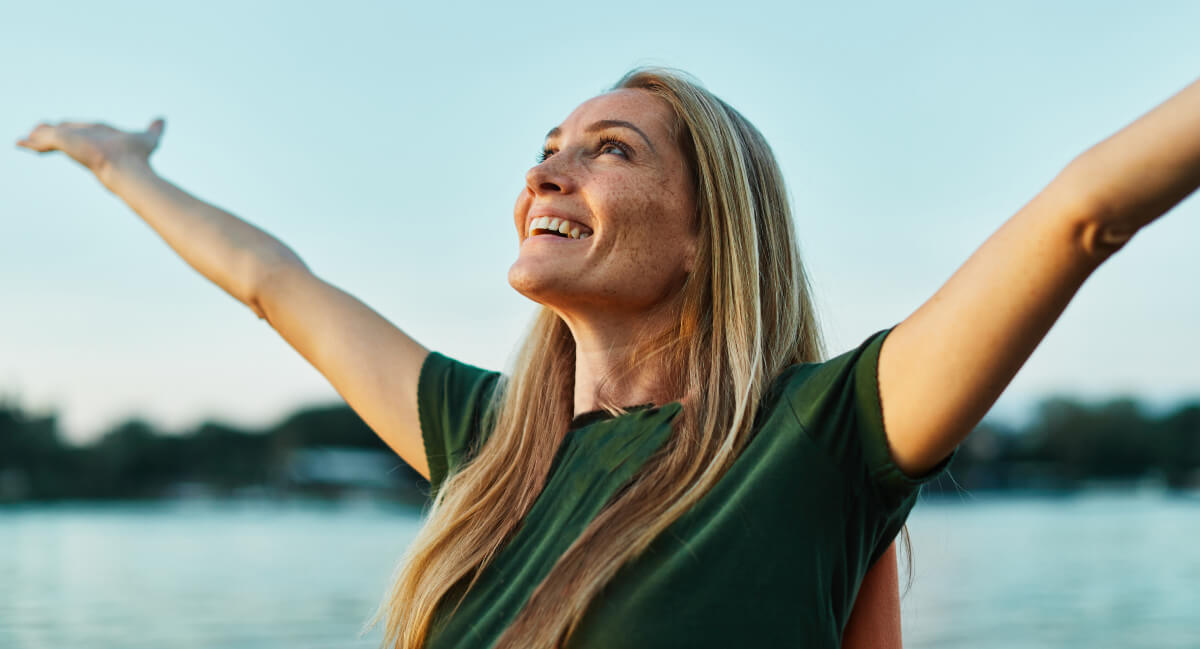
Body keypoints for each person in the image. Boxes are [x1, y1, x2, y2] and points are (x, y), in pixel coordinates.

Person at [17, 66, 1199, 649]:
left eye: (609, 150)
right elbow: (274, 283)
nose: (546, 172)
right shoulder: (487, 444)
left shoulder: (820, 437)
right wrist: (124, 165)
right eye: (546, 149)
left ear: (703, 236)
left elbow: (1079, 215)